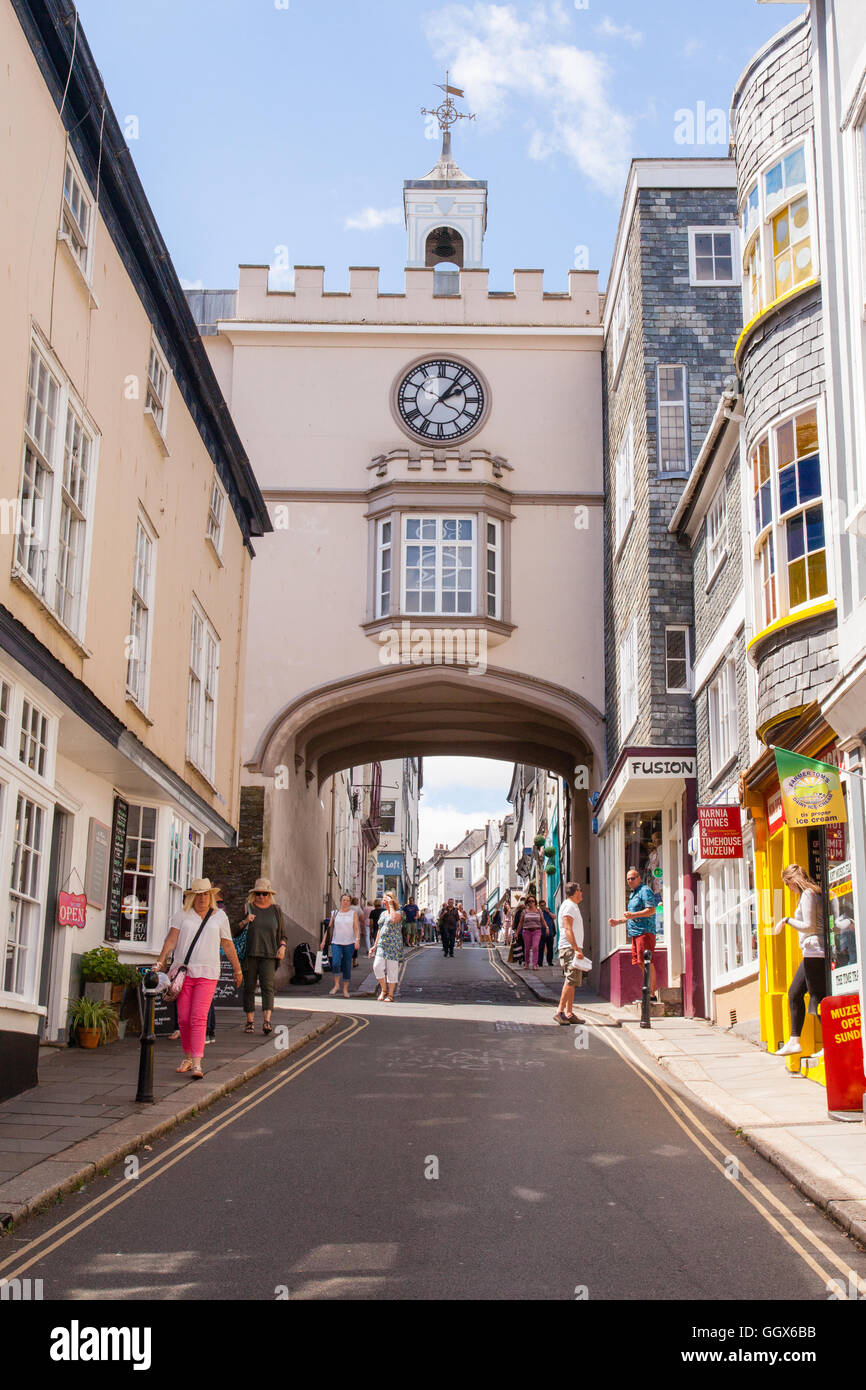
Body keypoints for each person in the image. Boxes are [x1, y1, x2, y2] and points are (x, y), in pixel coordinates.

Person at [155, 878, 242, 1079]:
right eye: (199, 894)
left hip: (208, 973)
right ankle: (187, 1057)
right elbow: (171, 940)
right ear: (192, 896)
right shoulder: (182, 915)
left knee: (198, 1017)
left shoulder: (219, 917)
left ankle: (197, 1063)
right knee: (184, 1018)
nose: (202, 898)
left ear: (210, 896)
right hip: (183, 973)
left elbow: (228, 945)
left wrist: (237, 969)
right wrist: (160, 962)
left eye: (206, 894)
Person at [766, 863, 827, 1057]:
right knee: (795, 993)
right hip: (812, 951)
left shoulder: (808, 894)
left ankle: (830, 1044)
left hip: (815, 951)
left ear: (792, 881)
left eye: (787, 884)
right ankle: (794, 1041)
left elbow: (809, 926)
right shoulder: (811, 893)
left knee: (818, 998)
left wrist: (786, 920)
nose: (789, 888)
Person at [238, 877, 288, 1034]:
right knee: (249, 988)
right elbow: (235, 930)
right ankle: (250, 1021)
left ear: (269, 895)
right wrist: (246, 921)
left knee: (268, 987)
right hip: (250, 954)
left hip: (269, 955)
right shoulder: (248, 908)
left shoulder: (276, 910)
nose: (261, 896)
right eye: (258, 893)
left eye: (264, 894)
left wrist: (282, 947)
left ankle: (267, 1021)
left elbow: (283, 934)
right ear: (254, 894)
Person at [609, 867, 659, 999]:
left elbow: (651, 910)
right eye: (628, 879)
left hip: (645, 932)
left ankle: (652, 994)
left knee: (647, 961)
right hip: (635, 933)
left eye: (632, 878)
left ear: (639, 878)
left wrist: (632, 915)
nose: (630, 881)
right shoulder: (633, 893)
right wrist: (618, 921)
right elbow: (631, 916)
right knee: (641, 962)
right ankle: (648, 992)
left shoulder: (645, 891)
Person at [553, 882, 586, 1025]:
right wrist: (576, 949)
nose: (582, 893)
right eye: (580, 890)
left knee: (572, 981)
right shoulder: (569, 906)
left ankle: (569, 1012)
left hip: (573, 948)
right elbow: (567, 929)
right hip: (569, 948)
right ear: (575, 892)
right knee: (570, 978)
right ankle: (560, 1012)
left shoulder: (573, 906)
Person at [323, 891, 362, 999]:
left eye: (348, 900)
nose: (346, 902)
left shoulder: (353, 913)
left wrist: (357, 940)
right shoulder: (334, 913)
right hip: (336, 942)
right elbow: (329, 927)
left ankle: (345, 989)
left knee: (346, 965)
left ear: (350, 902)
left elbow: (356, 928)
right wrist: (323, 940)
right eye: (344, 900)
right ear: (340, 901)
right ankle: (336, 985)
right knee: (335, 963)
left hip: (349, 943)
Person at [370, 891, 404, 1002]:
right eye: (383, 900)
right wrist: (374, 946)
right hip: (382, 944)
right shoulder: (383, 914)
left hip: (393, 945)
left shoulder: (400, 912)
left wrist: (391, 905)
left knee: (392, 970)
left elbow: (394, 919)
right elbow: (380, 929)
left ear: (393, 900)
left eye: (386, 899)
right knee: (377, 966)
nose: (384, 902)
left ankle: (390, 994)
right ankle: (384, 989)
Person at [518, 893, 545, 970]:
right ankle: (526, 963)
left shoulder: (539, 911)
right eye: (529, 901)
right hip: (526, 931)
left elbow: (542, 920)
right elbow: (520, 923)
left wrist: (546, 927)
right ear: (527, 903)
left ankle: (534, 964)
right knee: (527, 948)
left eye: (533, 901)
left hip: (537, 931)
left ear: (535, 902)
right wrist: (516, 932)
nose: (531, 903)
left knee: (536, 947)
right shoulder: (524, 911)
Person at [539, 897, 557, 967]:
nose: (543, 907)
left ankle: (550, 961)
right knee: (541, 948)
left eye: (544, 905)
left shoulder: (548, 911)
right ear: (539, 906)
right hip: (541, 933)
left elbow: (554, 917)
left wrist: (548, 912)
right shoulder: (538, 912)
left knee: (550, 948)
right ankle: (539, 962)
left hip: (550, 933)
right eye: (542, 905)